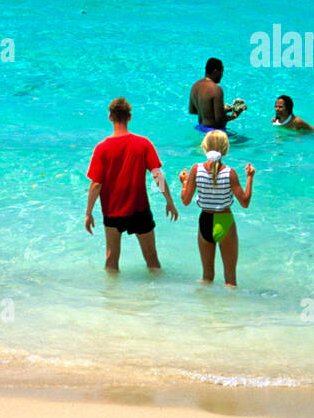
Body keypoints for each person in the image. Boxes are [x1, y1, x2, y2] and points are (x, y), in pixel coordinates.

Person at [85, 97, 177, 271]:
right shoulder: (143, 144)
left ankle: (111, 297)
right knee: (152, 260)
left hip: (112, 211)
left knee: (111, 260)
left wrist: (88, 213)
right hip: (139, 209)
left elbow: (96, 185)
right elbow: (157, 175)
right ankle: (156, 296)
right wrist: (169, 202)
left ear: (110, 117)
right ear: (129, 117)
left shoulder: (101, 148)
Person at [179, 130, 255, 288]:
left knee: (207, 277)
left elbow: (185, 200)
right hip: (224, 220)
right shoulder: (230, 173)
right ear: (225, 149)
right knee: (230, 278)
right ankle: (228, 311)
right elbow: (245, 202)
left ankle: (206, 310)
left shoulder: (196, 169)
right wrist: (250, 178)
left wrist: (184, 183)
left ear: (205, 147)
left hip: (205, 220)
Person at [188, 57, 246, 133]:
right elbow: (220, 120)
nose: (222, 75)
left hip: (200, 129)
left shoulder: (195, 86)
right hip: (214, 133)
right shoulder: (216, 89)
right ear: (215, 71)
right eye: (221, 72)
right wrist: (235, 114)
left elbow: (192, 111)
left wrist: (222, 110)